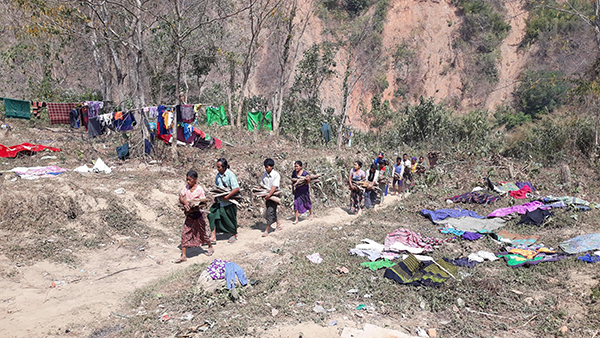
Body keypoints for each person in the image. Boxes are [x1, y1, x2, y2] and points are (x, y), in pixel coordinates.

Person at [176, 170, 213, 263]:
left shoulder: (199, 189)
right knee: (185, 233)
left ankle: (210, 246)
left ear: (195, 179)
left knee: (202, 233)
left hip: (198, 215)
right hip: (190, 215)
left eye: (190, 180)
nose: (188, 182)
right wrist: (184, 202)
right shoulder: (186, 187)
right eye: (187, 180)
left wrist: (195, 204)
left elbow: (203, 201)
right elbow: (181, 197)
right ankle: (183, 255)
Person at [207, 158, 240, 244]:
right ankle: (213, 235)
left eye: (219, 167)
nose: (217, 169)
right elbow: (216, 187)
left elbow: (236, 188)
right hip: (219, 201)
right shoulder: (218, 176)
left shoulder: (230, 175)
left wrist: (228, 196)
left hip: (229, 201)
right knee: (211, 214)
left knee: (230, 218)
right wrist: (216, 196)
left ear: (224, 167)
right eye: (217, 167)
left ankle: (233, 234)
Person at [261, 158, 282, 237]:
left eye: (268, 166)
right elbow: (262, 183)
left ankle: (267, 230)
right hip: (267, 196)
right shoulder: (265, 174)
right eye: (265, 167)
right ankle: (278, 223)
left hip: (274, 196)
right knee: (271, 210)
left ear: (272, 167)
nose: (266, 168)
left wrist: (269, 195)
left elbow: (274, 187)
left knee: (270, 212)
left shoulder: (276, 175)